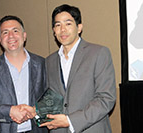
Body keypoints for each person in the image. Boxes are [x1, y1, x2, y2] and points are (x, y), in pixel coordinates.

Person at [41, 4, 116, 133]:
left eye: (68, 24)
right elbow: (50, 98)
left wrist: (70, 121)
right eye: (58, 25)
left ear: (79, 27)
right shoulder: (49, 61)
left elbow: (106, 98)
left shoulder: (98, 53)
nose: (62, 30)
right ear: (54, 30)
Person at [0, 15, 48, 133]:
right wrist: (10, 111)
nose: (11, 36)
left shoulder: (42, 64)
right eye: (5, 32)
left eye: (15, 31)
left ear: (24, 36)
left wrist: (37, 110)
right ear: (0, 39)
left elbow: (53, 98)